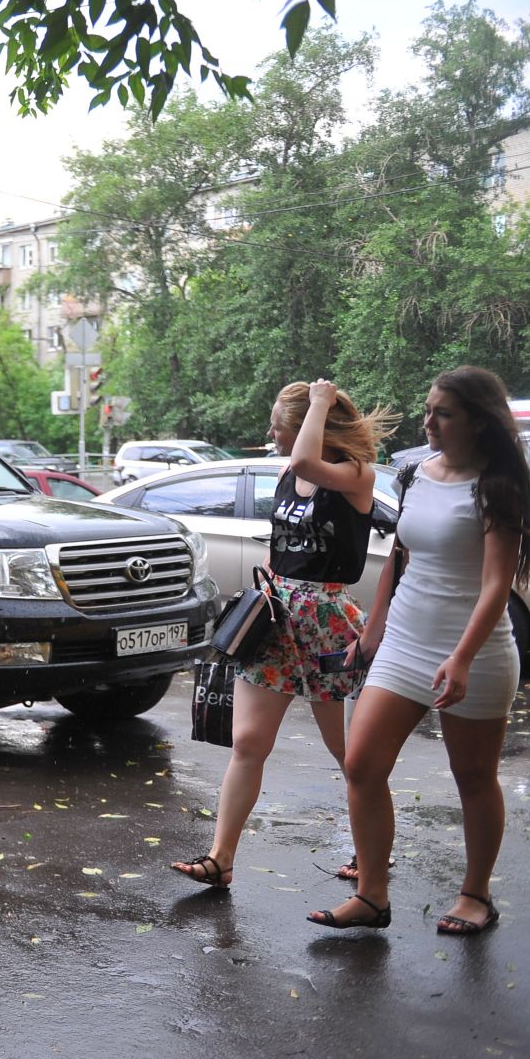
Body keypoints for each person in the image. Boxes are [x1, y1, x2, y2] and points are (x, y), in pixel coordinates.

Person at [310, 366, 530, 933]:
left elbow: (495, 584)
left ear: (479, 423)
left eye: (443, 413)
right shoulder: (415, 473)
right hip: (405, 643)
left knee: (473, 776)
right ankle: (372, 896)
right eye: (428, 408)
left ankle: (476, 895)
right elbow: (400, 558)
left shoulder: (496, 487)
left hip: (475, 654)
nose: (428, 421)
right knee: (361, 764)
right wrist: (374, 628)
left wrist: (459, 658)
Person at [173, 380, 395, 890]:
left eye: (279, 424)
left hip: (329, 626)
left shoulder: (353, 475)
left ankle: (371, 859)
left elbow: (304, 464)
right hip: (277, 620)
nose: (270, 432)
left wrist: (318, 402)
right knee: (247, 742)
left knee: (351, 756)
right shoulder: (285, 476)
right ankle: (220, 858)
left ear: (308, 430)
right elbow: (281, 543)